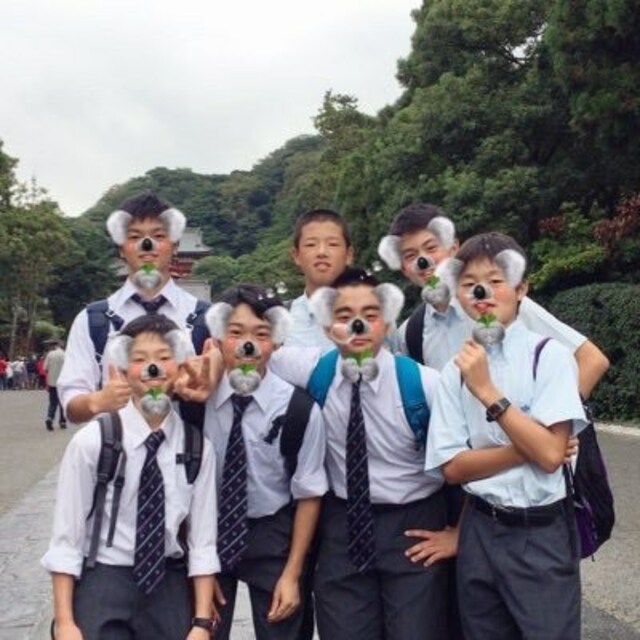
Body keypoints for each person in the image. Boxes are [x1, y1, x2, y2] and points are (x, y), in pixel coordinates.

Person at [269, 268, 451, 640]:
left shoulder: (425, 385)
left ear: (388, 323)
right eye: (343, 316)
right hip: (342, 525)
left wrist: (460, 533)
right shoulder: (315, 370)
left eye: (370, 315)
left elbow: (471, 454)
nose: (357, 325)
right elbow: (254, 355)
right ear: (326, 328)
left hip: (414, 525)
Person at [425, 232, 587, 640]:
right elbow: (452, 468)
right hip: (479, 528)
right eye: (469, 283)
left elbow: (550, 458)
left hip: (540, 530)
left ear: (521, 289)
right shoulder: (453, 373)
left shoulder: (548, 356)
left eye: (496, 281)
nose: (481, 292)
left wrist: (487, 392)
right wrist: (530, 446)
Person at [41, 314, 220, 640]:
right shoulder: (93, 442)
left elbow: (203, 541)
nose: (153, 368)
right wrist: (65, 622)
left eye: (164, 357)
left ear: (181, 367)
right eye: (139, 360)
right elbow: (67, 538)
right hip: (104, 578)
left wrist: (201, 622)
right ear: (122, 370)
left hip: (168, 583)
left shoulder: (197, 447)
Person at [378, 202, 610, 397]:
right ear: (403, 268)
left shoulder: (498, 304)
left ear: (454, 248)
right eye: (410, 255)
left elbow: (591, 360)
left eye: (431, 248)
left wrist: (557, 426)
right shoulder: (410, 334)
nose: (423, 261)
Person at [203, 284, 328, 640]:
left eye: (261, 334)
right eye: (236, 333)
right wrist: (198, 570)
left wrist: (292, 573)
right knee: (203, 628)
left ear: (276, 341)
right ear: (218, 338)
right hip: (207, 531)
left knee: (282, 627)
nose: (248, 345)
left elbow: (308, 493)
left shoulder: (299, 409)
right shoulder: (197, 401)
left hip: (274, 533)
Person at [58, 191, 214, 425]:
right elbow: (71, 405)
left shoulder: (206, 318)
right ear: (121, 248)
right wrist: (98, 401)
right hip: (115, 445)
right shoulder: (92, 320)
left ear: (175, 245)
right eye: (134, 236)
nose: (147, 245)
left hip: (188, 445)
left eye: (158, 235)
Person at [285, 208, 354, 349]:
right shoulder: (280, 320)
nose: (322, 252)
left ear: (349, 255)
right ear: (296, 256)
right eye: (311, 244)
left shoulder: (375, 318)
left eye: (332, 244)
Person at [44, 341, 67, 430]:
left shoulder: (50, 354)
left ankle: (50, 418)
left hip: (52, 382)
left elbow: (45, 368)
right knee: (63, 403)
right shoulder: (66, 355)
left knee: (53, 402)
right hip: (64, 382)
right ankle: (62, 421)